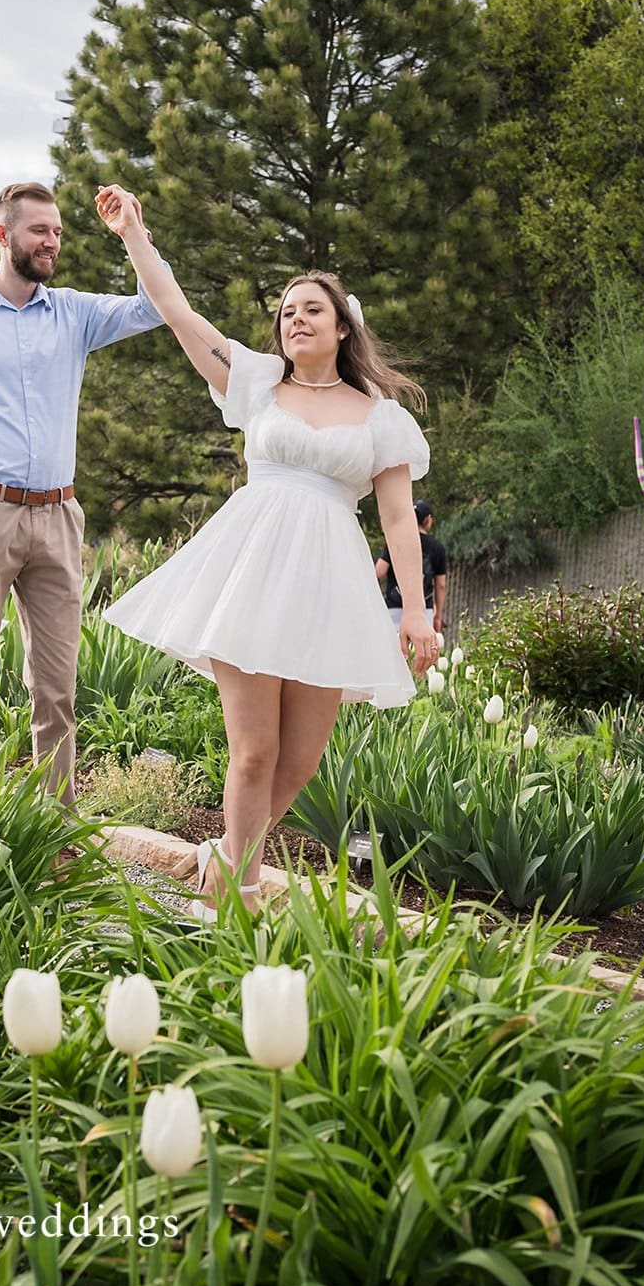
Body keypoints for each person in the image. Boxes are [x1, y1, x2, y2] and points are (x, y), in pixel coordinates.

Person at [95, 184, 437, 919]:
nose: (295, 319)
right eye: (286, 310)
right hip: (250, 575)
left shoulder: (381, 418)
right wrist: (135, 234)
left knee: (300, 762)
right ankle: (237, 899)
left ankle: (224, 853)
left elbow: (400, 520)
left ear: (343, 327)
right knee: (252, 753)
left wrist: (415, 612)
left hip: (330, 588)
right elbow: (179, 313)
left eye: (311, 308)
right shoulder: (257, 384)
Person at [0, 180, 167, 802]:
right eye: (40, 230)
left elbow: (153, 306)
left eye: (59, 232)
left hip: (57, 514)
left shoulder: (73, 313)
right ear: (3, 235)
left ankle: (54, 828)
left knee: (58, 686)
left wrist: (133, 232)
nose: (53, 242)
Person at [375, 500, 447, 635]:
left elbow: (379, 571)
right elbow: (441, 585)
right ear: (428, 519)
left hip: (394, 606)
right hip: (423, 610)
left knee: (394, 651)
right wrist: (438, 616)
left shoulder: (396, 539)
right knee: (420, 652)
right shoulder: (437, 547)